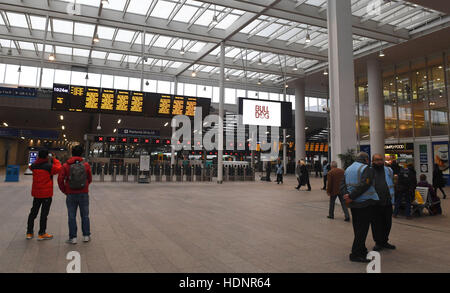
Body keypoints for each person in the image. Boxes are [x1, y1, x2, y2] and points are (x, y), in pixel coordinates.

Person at [340, 152, 379, 263]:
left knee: (358, 228)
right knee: (362, 229)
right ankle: (355, 254)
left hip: (353, 204)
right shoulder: (367, 168)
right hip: (365, 203)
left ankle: (362, 249)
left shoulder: (348, 169)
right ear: (366, 159)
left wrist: (346, 196)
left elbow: (342, 184)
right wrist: (351, 196)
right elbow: (365, 185)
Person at [58, 145, 93, 244]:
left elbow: (60, 179)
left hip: (71, 193)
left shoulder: (66, 165)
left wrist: (65, 190)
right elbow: (89, 179)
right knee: (85, 215)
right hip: (83, 193)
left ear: (72, 153)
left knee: (71, 216)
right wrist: (84, 186)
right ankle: (86, 236)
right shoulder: (86, 165)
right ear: (81, 153)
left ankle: (73, 238)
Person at [26, 150, 62, 240]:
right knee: (44, 214)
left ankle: (29, 233)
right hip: (46, 194)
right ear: (47, 156)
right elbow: (59, 168)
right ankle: (41, 233)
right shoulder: (49, 167)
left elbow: (30, 166)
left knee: (33, 213)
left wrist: (39, 160)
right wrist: (54, 159)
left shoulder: (34, 166)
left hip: (36, 194)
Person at [370, 154, 396, 252]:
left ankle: (385, 241)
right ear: (373, 161)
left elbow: (391, 183)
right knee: (376, 224)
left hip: (387, 202)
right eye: (377, 160)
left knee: (387, 223)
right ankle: (378, 242)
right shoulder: (369, 171)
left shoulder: (389, 170)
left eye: (381, 160)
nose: (379, 162)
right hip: (375, 203)